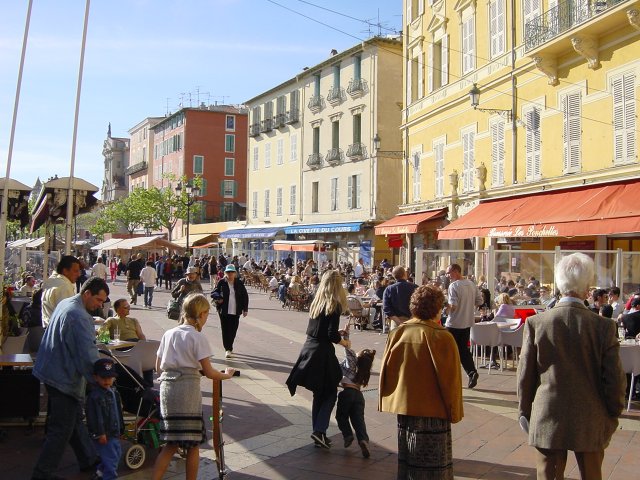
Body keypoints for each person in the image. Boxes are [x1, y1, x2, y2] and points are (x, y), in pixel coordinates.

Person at [517, 253, 625, 480]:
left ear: (559, 283)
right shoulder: (603, 327)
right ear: (587, 286)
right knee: (592, 475)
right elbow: (614, 378)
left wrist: (524, 411)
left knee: (549, 475)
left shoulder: (537, 323)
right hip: (590, 415)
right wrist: (614, 413)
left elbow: (525, 375)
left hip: (548, 414)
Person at [379, 285, 463, 479]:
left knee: (408, 461)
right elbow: (451, 381)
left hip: (406, 409)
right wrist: (454, 412)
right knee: (433, 467)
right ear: (436, 308)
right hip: (433, 411)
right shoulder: (441, 336)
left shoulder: (398, 333)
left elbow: (387, 372)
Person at [32, 277, 109, 479]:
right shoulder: (79, 316)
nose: (99, 305)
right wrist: (100, 377)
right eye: (99, 300)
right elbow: (87, 354)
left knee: (73, 420)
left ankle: (87, 458)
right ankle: (42, 473)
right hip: (62, 376)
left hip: (51, 370)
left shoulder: (68, 303)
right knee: (61, 429)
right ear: (87, 294)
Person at [152, 293, 235, 480]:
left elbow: (158, 368)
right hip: (187, 391)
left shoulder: (168, 334)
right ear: (201, 313)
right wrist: (226, 375)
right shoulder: (197, 337)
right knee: (193, 444)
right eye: (206, 314)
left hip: (167, 389)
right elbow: (209, 371)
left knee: (171, 444)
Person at [286, 270, 351, 450]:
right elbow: (330, 334)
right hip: (322, 353)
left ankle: (318, 432)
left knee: (318, 393)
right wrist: (344, 342)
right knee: (330, 392)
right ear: (337, 285)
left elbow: (321, 330)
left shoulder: (317, 302)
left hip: (309, 348)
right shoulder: (334, 305)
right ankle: (320, 429)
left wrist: (338, 334)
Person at [335, 324, 376, 458]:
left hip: (347, 393)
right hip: (359, 396)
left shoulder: (352, 361)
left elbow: (347, 347)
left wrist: (346, 334)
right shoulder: (365, 370)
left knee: (341, 416)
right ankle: (362, 440)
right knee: (358, 419)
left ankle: (348, 435)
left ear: (358, 356)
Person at [445, 263, 484, 389]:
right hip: (467, 322)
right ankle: (471, 372)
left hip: (454, 323)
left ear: (456, 271)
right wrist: (468, 307)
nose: (448, 275)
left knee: (449, 350)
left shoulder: (454, 286)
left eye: (449, 272)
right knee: (463, 350)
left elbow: (453, 305)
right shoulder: (471, 284)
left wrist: (445, 309)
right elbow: (480, 301)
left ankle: (450, 378)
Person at [86, 358, 124, 480]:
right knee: (111, 459)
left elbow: (118, 412)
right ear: (96, 377)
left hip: (113, 431)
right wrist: (99, 433)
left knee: (115, 455)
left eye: (110, 378)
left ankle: (100, 473)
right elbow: (93, 416)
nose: (107, 381)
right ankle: (109, 477)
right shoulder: (95, 396)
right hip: (104, 433)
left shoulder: (114, 392)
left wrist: (121, 429)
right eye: (103, 378)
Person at [211, 265, 249, 358]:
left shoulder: (239, 283)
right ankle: (228, 349)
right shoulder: (221, 282)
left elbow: (245, 296)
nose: (230, 274)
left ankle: (230, 346)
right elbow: (214, 292)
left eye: (232, 272)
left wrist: (245, 309)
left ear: (235, 273)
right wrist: (219, 298)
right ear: (225, 273)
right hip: (224, 310)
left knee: (233, 330)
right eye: (228, 272)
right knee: (225, 330)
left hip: (236, 310)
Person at [41, 255, 82, 328]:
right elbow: (68, 314)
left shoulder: (50, 280)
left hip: (47, 328)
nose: (78, 274)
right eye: (75, 271)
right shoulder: (65, 286)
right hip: (58, 331)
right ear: (65, 271)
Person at [382, 266, 418, 331]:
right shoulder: (415, 287)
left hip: (396, 321)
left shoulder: (389, 289)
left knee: (396, 340)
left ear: (393, 276)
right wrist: (412, 318)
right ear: (405, 274)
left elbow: (386, 308)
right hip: (412, 320)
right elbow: (419, 304)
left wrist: (398, 321)